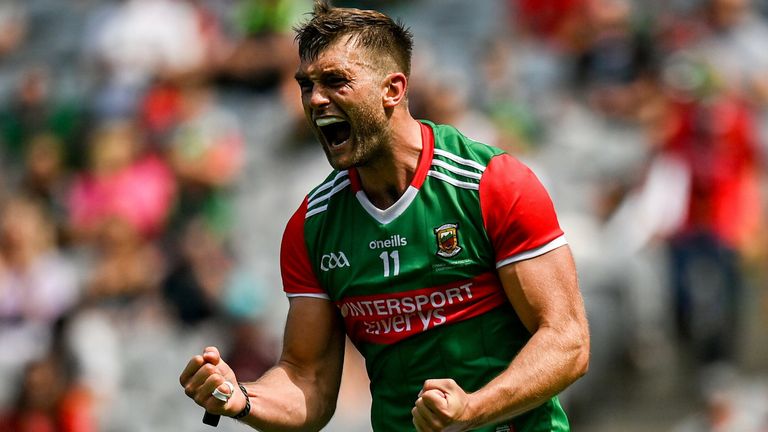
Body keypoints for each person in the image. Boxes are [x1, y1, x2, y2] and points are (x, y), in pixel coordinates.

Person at [179, 2, 590, 431]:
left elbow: (567, 342)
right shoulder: (312, 226)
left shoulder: (491, 184)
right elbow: (308, 380)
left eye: (335, 81)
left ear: (392, 89)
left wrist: (472, 409)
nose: (315, 99)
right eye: (306, 85)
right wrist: (243, 397)